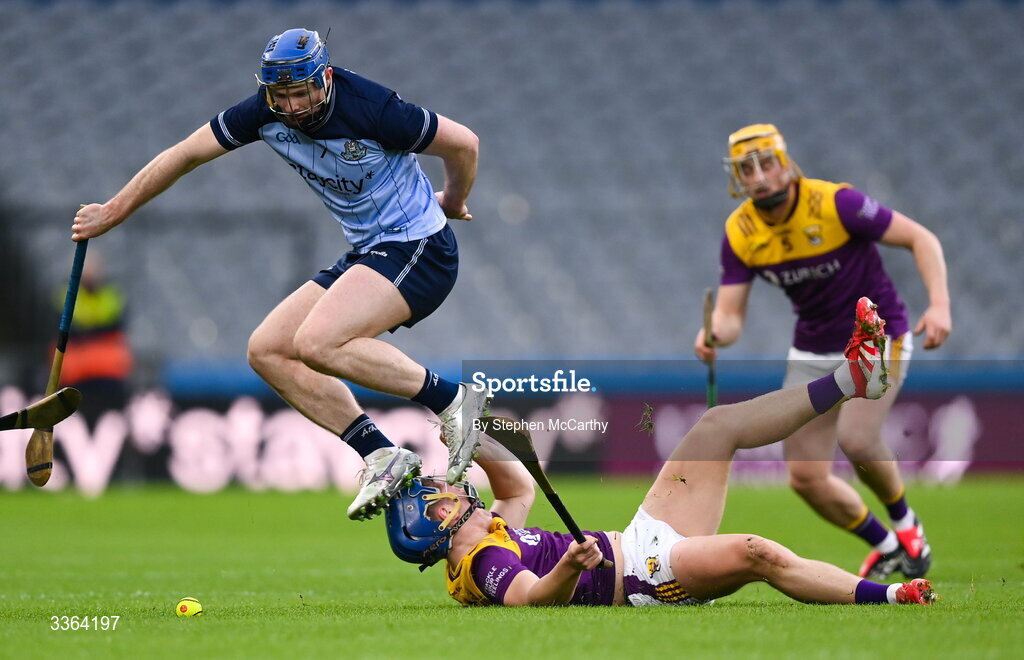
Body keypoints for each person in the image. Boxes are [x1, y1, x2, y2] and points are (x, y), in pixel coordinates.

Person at [71, 28, 491, 519]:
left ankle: (456, 401)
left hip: (420, 246)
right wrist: (115, 211)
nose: (291, 106)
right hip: (369, 252)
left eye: (301, 91)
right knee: (268, 350)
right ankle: (381, 453)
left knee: (318, 342)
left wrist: (455, 200)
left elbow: (464, 143)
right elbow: (183, 154)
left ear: (326, 78)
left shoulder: (375, 108)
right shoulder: (262, 112)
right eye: (281, 94)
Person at [385, 298, 937, 607]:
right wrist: (571, 569)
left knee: (715, 426)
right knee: (757, 554)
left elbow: (518, 484)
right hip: (650, 577)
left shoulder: (491, 529)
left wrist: (470, 435)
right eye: (437, 495)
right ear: (434, 525)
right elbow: (531, 600)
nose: (448, 486)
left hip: (642, 535)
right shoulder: (484, 564)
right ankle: (891, 597)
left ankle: (850, 378)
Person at [693, 124, 951, 580]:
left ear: (785, 162)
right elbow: (731, 318)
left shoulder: (837, 203)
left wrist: (940, 305)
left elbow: (921, 239)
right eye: (745, 168)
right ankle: (888, 545)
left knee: (857, 440)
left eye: (766, 163)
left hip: (877, 334)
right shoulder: (740, 231)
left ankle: (909, 529)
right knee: (806, 478)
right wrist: (712, 332)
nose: (758, 176)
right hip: (813, 347)